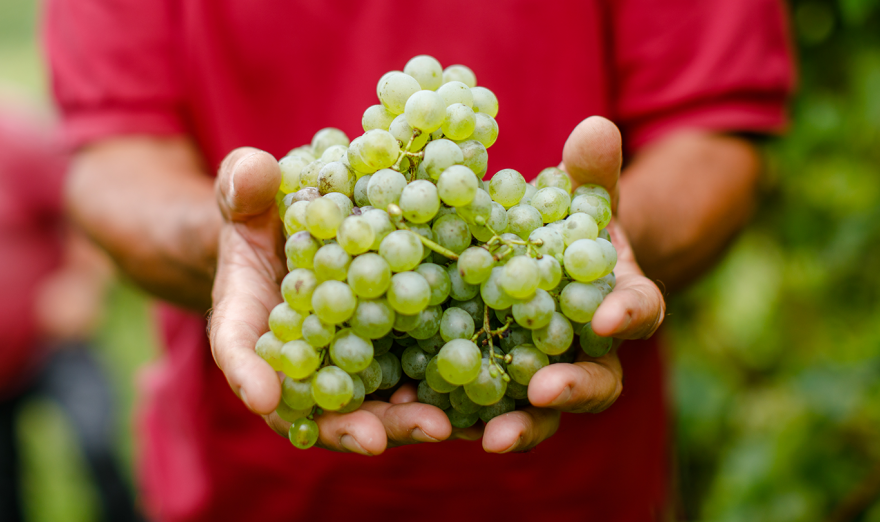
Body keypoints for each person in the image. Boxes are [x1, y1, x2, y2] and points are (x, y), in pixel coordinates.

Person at [45, 0, 793, 520]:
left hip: (570, 486)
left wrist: (595, 254)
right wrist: (233, 241)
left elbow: (717, 131)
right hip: (246, 486)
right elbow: (113, 157)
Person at [0, 97, 142, 522]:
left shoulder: (14, 138)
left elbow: (81, 206)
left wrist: (81, 284)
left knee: (97, 442)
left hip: (49, 341)